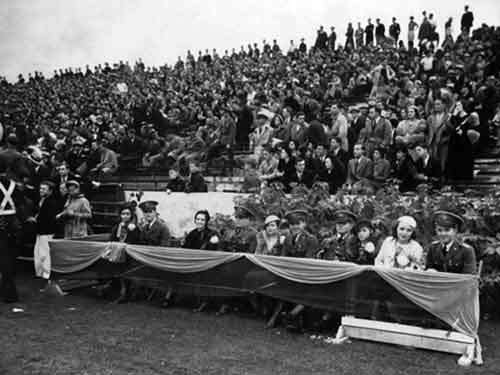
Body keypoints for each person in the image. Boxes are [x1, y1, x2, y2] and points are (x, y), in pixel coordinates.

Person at [182, 210, 220, 312]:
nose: (199, 221)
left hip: (207, 264)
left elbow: (216, 251)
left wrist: (213, 243)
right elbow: (185, 249)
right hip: (191, 263)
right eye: (198, 219)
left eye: (202, 220)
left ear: (206, 221)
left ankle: (203, 302)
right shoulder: (192, 233)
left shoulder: (212, 234)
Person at [108, 203, 141, 303]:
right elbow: (112, 239)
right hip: (118, 254)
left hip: (129, 255)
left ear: (131, 215)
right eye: (123, 214)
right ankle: (118, 290)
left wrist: (132, 230)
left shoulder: (134, 227)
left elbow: (137, 241)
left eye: (127, 214)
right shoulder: (117, 227)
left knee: (126, 271)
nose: (125, 216)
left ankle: (126, 293)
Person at [0, 172, 24, 303]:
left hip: (1, 225)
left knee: (4, 261)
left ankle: (9, 293)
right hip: (13, 226)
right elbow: (22, 205)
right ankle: (6, 290)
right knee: (9, 259)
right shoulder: (14, 186)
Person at [31, 181, 59, 291]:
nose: (41, 190)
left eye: (44, 189)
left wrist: (35, 220)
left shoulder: (51, 202)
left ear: (50, 191)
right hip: (40, 231)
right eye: (40, 188)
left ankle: (46, 277)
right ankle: (40, 274)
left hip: (46, 232)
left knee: (44, 255)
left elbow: (48, 219)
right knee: (37, 254)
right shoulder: (41, 201)